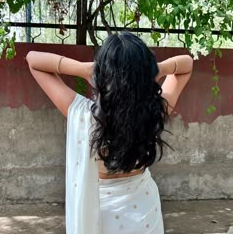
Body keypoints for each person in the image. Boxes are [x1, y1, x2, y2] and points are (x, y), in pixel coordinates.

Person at [26, 31, 193, 234]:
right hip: (144, 211)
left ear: (103, 74)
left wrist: (85, 69)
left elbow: (33, 59)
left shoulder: (85, 116)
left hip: (101, 214)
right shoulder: (155, 110)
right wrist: (155, 70)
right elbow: (186, 64)